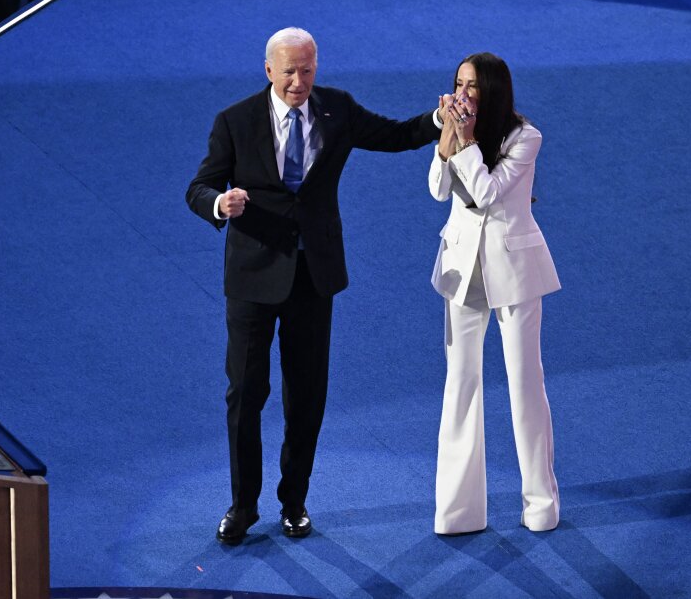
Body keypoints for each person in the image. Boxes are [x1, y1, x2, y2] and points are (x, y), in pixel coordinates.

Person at [186, 27, 442, 545]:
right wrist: (219, 204)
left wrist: (440, 120)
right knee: (246, 394)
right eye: (289, 72)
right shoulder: (234, 121)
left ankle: (294, 502)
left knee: (306, 396)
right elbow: (199, 186)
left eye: (307, 70)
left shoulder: (337, 109)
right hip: (253, 279)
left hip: (313, 276)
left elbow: (394, 135)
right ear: (268, 71)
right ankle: (242, 506)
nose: (299, 81)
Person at [428, 52, 561, 535]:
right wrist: (446, 139)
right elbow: (439, 191)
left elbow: (487, 193)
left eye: (472, 86)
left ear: (493, 91)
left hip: (515, 273)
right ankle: (458, 512)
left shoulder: (526, 138)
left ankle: (540, 506)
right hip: (462, 269)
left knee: (525, 383)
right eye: (458, 83)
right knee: (460, 384)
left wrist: (463, 140)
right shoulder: (458, 129)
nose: (462, 94)